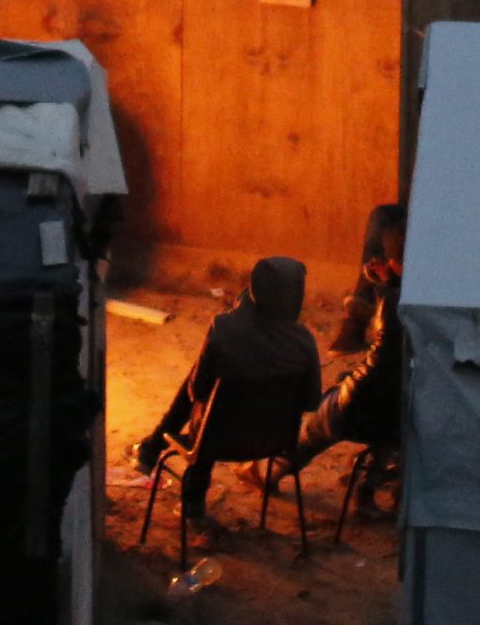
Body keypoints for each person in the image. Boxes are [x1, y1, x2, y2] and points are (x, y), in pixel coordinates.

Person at [135, 256, 322, 531]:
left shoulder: (224, 327)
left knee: (207, 389)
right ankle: (154, 445)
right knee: (218, 391)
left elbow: (196, 390)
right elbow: (311, 400)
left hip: (215, 442)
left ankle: (188, 495)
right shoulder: (304, 340)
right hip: (275, 441)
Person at [299, 206, 405, 470]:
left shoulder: (393, 309)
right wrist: (388, 283)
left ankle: (271, 469)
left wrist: (344, 387)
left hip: (369, 409)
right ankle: (369, 484)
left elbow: (377, 376)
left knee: (327, 413)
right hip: (405, 412)